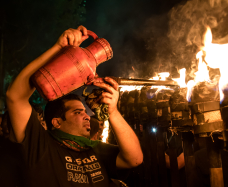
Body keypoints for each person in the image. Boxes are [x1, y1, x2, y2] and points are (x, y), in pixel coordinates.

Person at [6, 25, 143, 187]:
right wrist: (58, 49)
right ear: (56, 122)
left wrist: (113, 112)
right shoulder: (40, 146)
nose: (87, 116)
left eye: (84, 111)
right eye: (78, 112)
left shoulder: (95, 149)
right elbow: (14, 96)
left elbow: (134, 159)